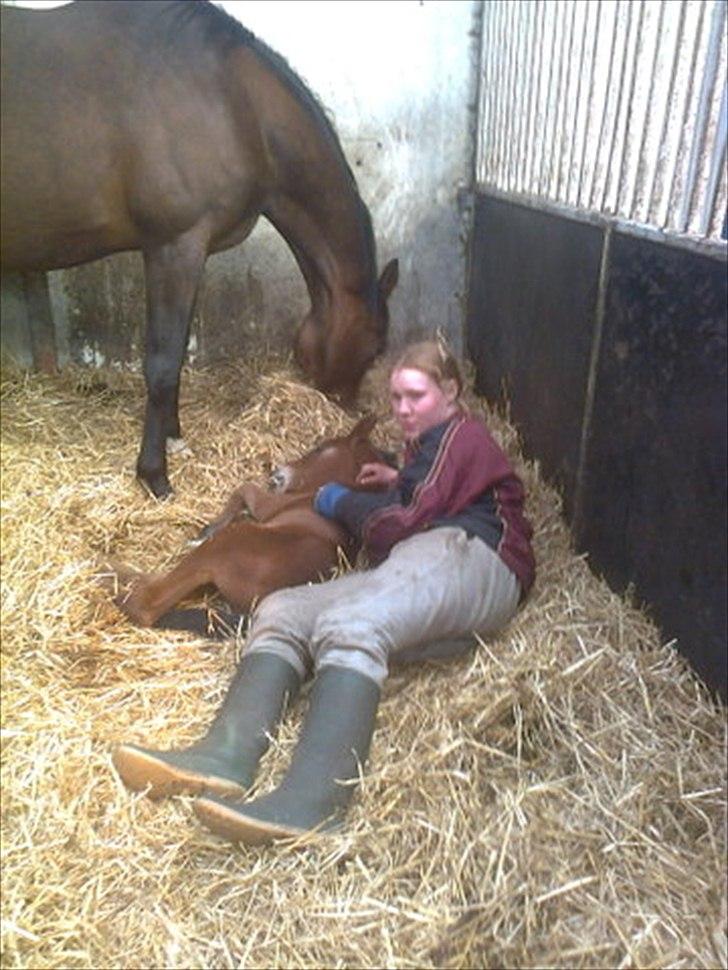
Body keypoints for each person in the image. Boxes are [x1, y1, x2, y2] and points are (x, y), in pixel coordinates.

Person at [113, 340, 535, 845]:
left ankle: (315, 802)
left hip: (475, 557)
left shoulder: (462, 434)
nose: (402, 409)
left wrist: (340, 499)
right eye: (396, 398)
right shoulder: (428, 445)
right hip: (430, 558)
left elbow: (400, 524)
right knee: (281, 609)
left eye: (416, 396)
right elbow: (429, 493)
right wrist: (396, 479)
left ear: (451, 391)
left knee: (353, 622)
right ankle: (224, 757)